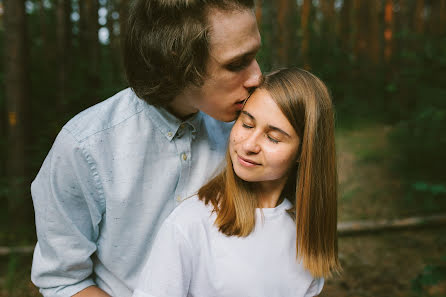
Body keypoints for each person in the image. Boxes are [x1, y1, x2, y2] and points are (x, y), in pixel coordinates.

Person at [30, 0, 261, 296]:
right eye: (236, 64)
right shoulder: (85, 148)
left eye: (255, 56)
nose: (256, 77)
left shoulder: (251, 134)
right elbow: (63, 280)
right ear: (177, 61)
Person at [132, 68, 341, 297]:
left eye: (273, 137)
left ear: (304, 151)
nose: (249, 145)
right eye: (247, 124)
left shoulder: (304, 232)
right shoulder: (190, 224)